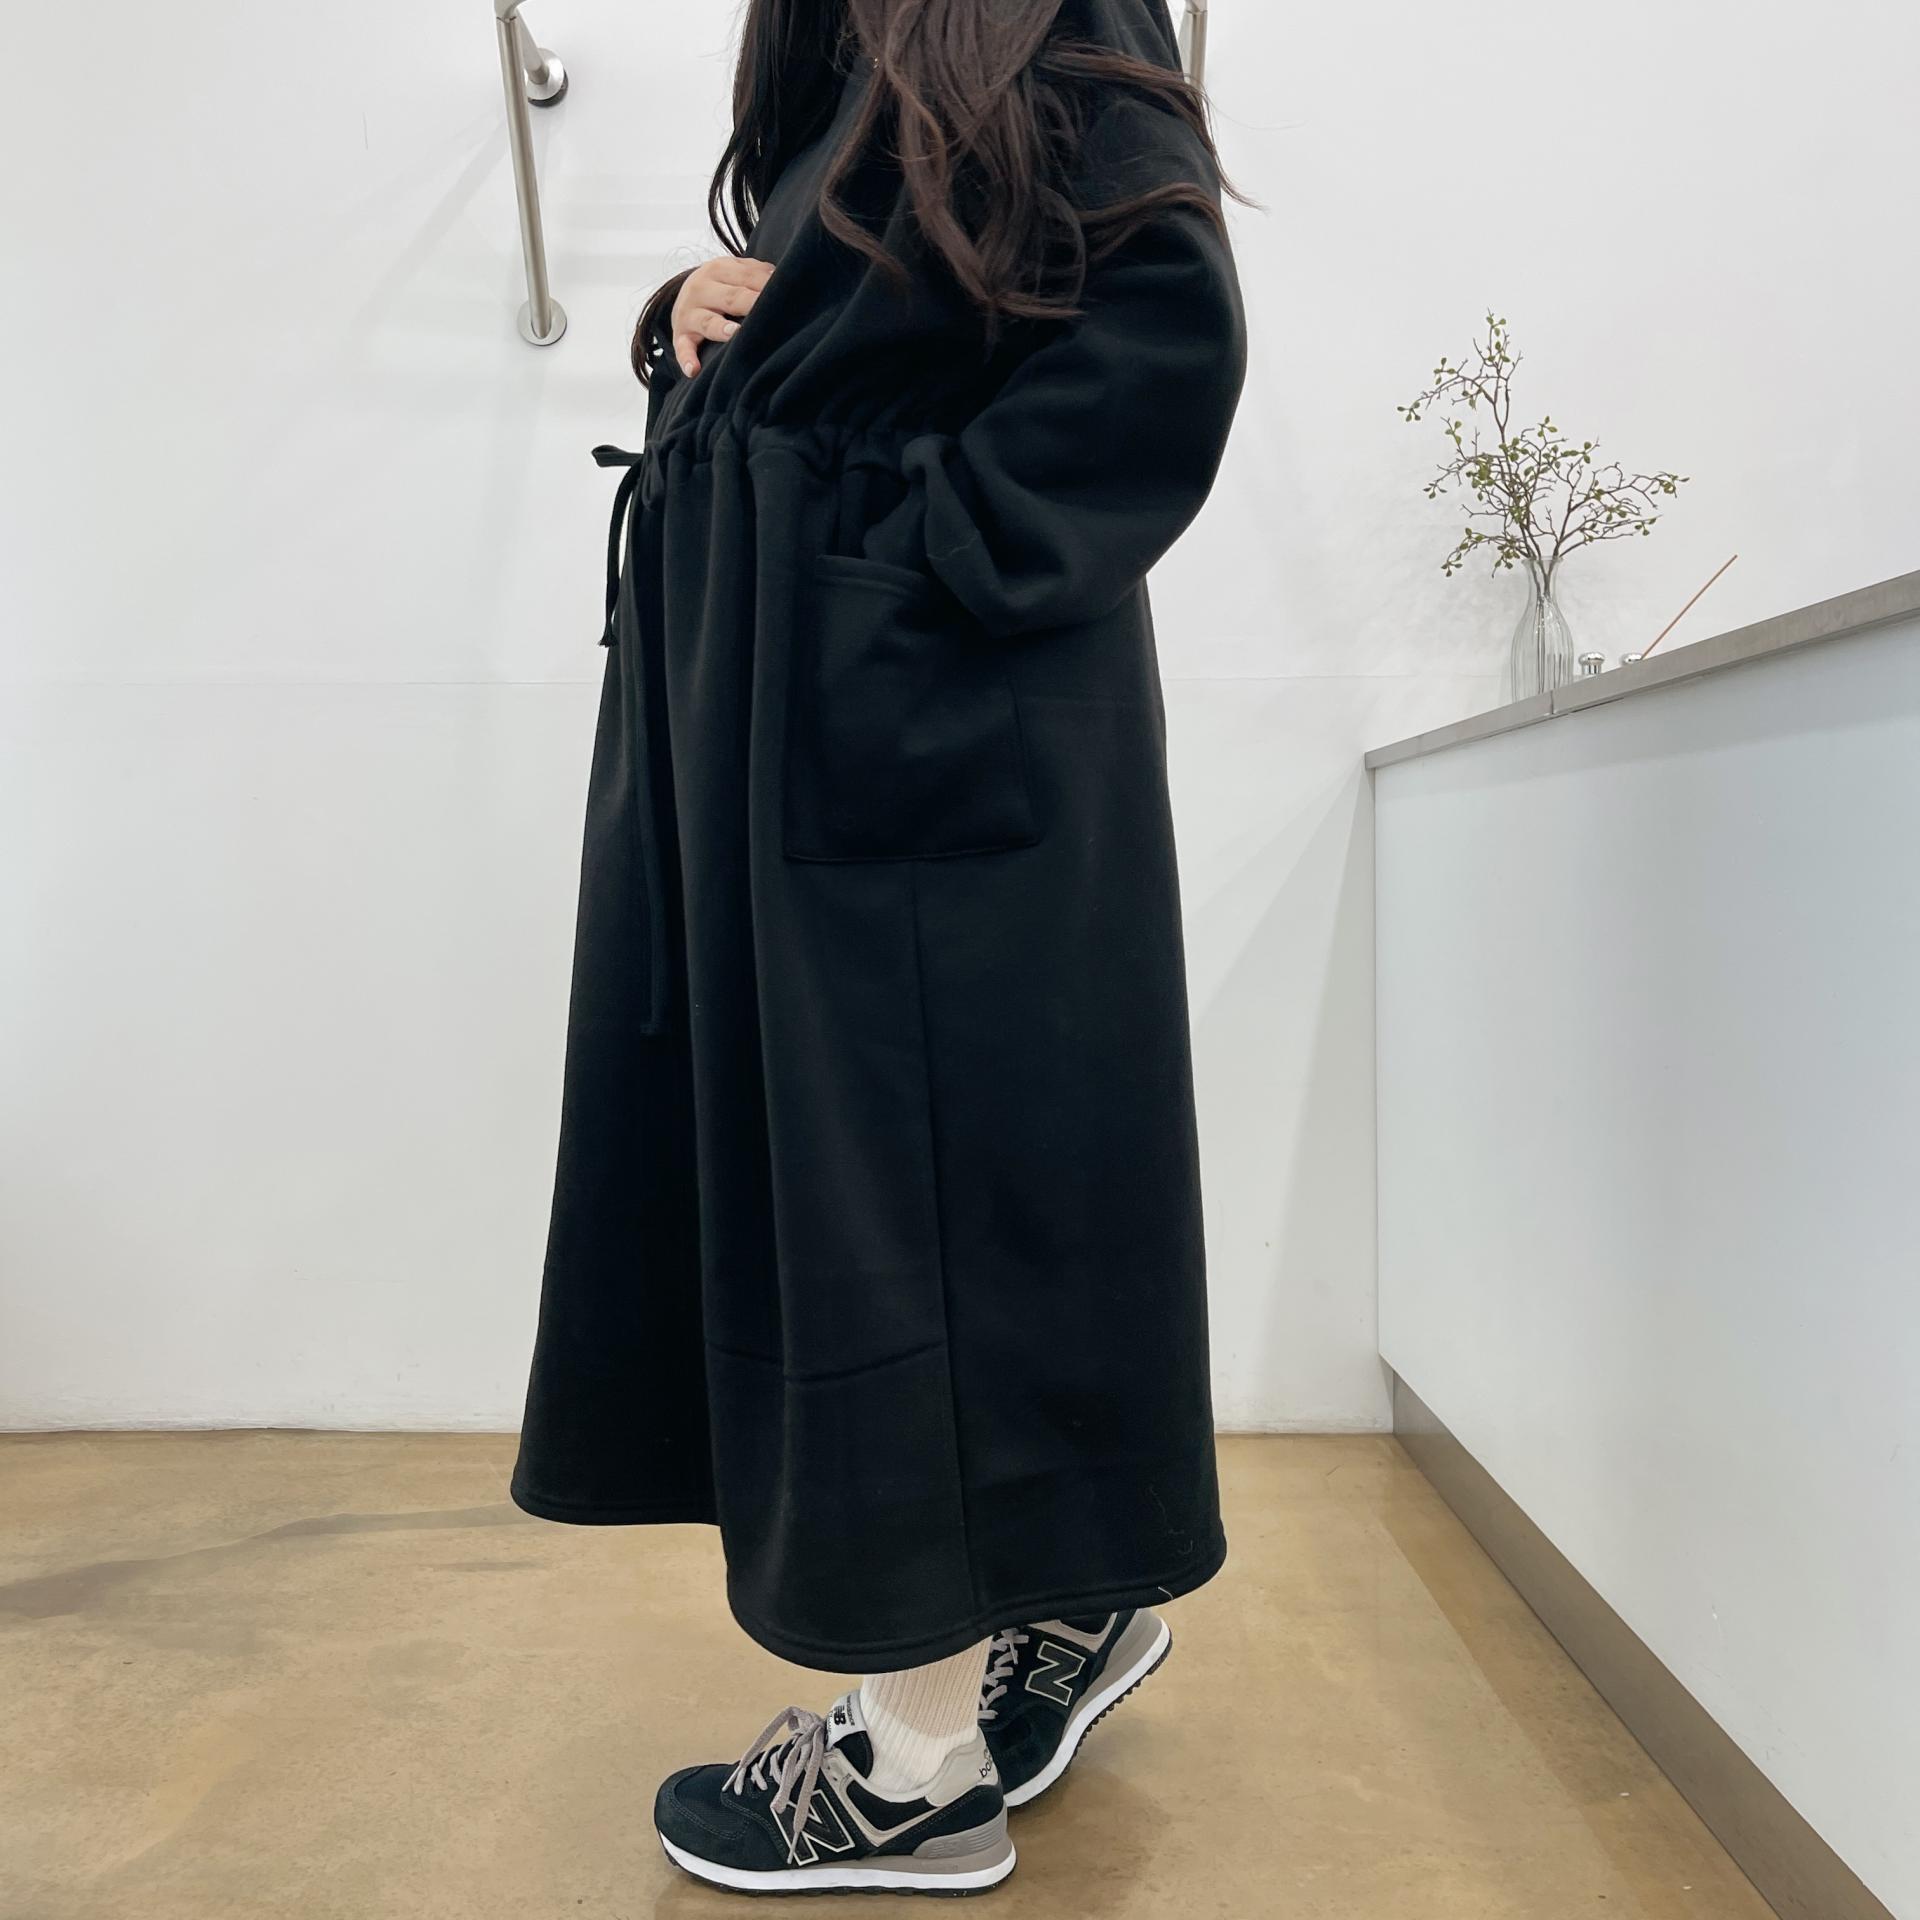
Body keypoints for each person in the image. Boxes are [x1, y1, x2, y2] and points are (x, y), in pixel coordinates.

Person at [511, 0, 1246, 1894]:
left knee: (898, 1210)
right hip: (811, 716)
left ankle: (915, 1767)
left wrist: (918, 567)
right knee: (909, 1185)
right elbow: (859, 317)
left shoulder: (1038, 13)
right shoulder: (852, 52)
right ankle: (1062, 1610)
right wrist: (686, 310)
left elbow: (1163, 335)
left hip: (911, 714)